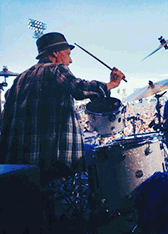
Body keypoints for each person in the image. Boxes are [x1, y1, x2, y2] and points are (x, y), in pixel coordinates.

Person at [0, 32, 125, 182]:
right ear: (56, 53)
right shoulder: (55, 69)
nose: (70, 60)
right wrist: (111, 84)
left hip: (18, 165)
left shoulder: (20, 79)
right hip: (51, 162)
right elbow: (79, 88)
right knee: (102, 157)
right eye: (68, 54)